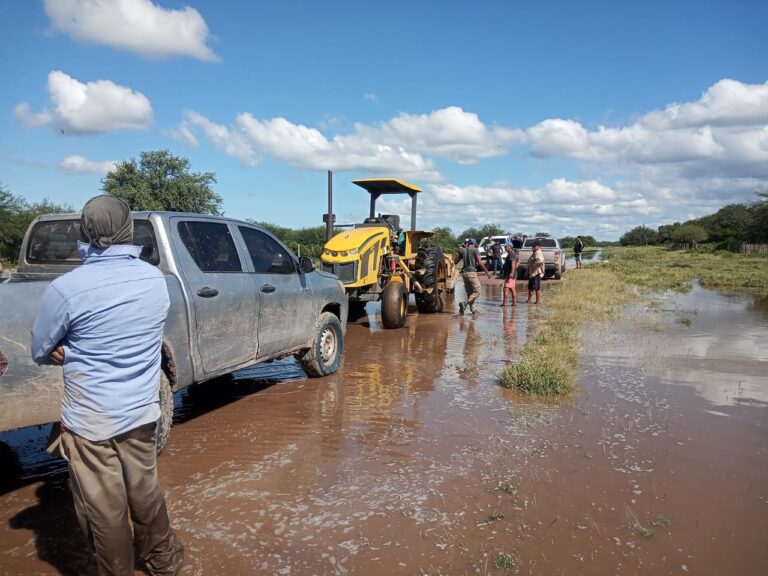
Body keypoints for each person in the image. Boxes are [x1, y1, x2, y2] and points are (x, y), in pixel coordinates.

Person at [31, 195, 184, 576]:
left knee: (105, 511)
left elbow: (40, 349)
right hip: (143, 411)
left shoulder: (66, 289)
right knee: (145, 492)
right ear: (128, 230)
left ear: (85, 232)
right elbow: (141, 334)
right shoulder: (155, 280)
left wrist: (67, 351)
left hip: (91, 423)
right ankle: (163, 561)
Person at [454, 237, 492, 315]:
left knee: (469, 293)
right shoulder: (475, 250)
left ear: (468, 243)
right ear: (474, 244)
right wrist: (487, 272)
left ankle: (473, 310)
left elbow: (455, 262)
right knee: (477, 292)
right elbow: (480, 262)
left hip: (464, 274)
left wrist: (459, 254)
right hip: (472, 273)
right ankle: (465, 303)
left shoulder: (463, 251)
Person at [525, 240, 545, 304]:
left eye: (534, 246)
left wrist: (535, 266)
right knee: (530, 287)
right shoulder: (535, 252)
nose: (532, 247)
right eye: (532, 246)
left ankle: (538, 301)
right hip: (532, 273)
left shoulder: (538, 252)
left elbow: (540, 261)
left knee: (537, 288)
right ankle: (529, 300)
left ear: (538, 246)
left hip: (536, 273)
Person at [500, 242, 518, 306]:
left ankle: (505, 303)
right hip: (510, 274)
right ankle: (514, 302)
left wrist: (511, 272)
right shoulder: (510, 253)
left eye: (505, 247)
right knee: (512, 288)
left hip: (510, 274)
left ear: (509, 246)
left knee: (505, 288)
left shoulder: (511, 254)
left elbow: (513, 264)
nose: (505, 248)